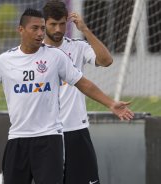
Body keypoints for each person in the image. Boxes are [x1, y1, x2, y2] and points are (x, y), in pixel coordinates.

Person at [0, 8, 133, 184]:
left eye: (42, 28)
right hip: (18, 140)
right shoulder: (4, 61)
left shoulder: (55, 57)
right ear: (21, 30)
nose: (40, 33)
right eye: (35, 28)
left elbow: (83, 83)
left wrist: (111, 103)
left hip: (49, 141)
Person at [43, 1, 114, 184]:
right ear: (44, 24)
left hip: (76, 130)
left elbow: (106, 60)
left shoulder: (77, 47)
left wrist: (85, 29)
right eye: (53, 24)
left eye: (62, 23)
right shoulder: (35, 53)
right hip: (46, 134)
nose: (58, 29)